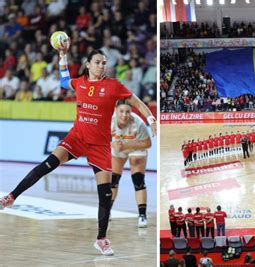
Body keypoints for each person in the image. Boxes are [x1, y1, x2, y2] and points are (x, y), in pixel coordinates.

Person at [0, 48, 157, 256]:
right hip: (77, 138)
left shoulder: (113, 86)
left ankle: (101, 239)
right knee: (46, 166)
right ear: (88, 64)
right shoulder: (80, 82)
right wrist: (63, 56)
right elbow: (64, 81)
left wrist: (151, 119)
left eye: (104, 63)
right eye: (98, 62)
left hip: (100, 145)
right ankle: (11, 197)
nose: (102, 66)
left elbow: (136, 102)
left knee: (106, 193)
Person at [110, 100, 152, 228]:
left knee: (138, 180)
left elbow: (148, 143)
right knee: (113, 180)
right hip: (118, 147)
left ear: (131, 112)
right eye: (121, 111)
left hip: (136, 146)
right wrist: (113, 145)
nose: (124, 115)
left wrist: (127, 145)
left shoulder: (138, 123)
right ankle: (107, 211)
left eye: (127, 111)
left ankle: (142, 215)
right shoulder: (108, 121)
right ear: (115, 111)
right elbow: (99, 139)